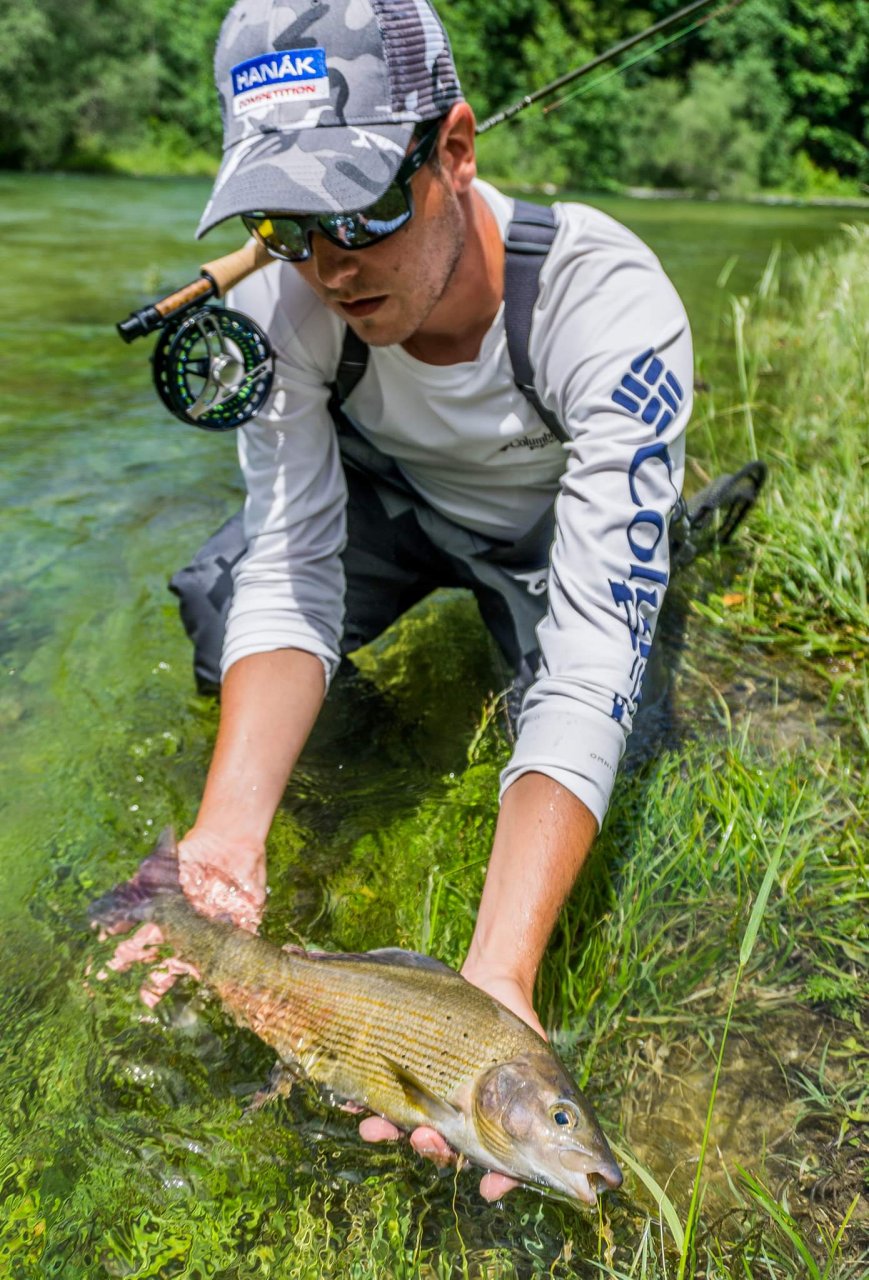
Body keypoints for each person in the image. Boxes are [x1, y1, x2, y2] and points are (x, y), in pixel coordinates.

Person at [109, 0, 758, 1200]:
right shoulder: (290, 297)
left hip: (543, 531)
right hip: (399, 506)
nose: (329, 261)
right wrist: (225, 835)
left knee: (622, 715)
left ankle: (677, 520)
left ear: (453, 150)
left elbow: (586, 654)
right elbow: (293, 565)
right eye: (285, 223)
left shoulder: (604, 301)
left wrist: (491, 988)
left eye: (358, 206)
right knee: (219, 593)